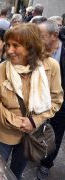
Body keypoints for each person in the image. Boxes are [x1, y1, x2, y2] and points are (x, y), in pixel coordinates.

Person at [0, 23, 63, 180]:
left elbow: (56, 101)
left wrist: (34, 122)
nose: (9, 50)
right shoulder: (1, 70)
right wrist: (17, 122)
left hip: (32, 134)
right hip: (5, 132)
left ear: (31, 46)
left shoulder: (51, 67)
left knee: (18, 168)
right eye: (7, 45)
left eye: (16, 45)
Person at [37, 20, 65, 180]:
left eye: (41, 36)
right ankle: (34, 150)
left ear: (54, 36)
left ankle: (46, 164)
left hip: (61, 103)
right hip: (38, 102)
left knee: (56, 132)